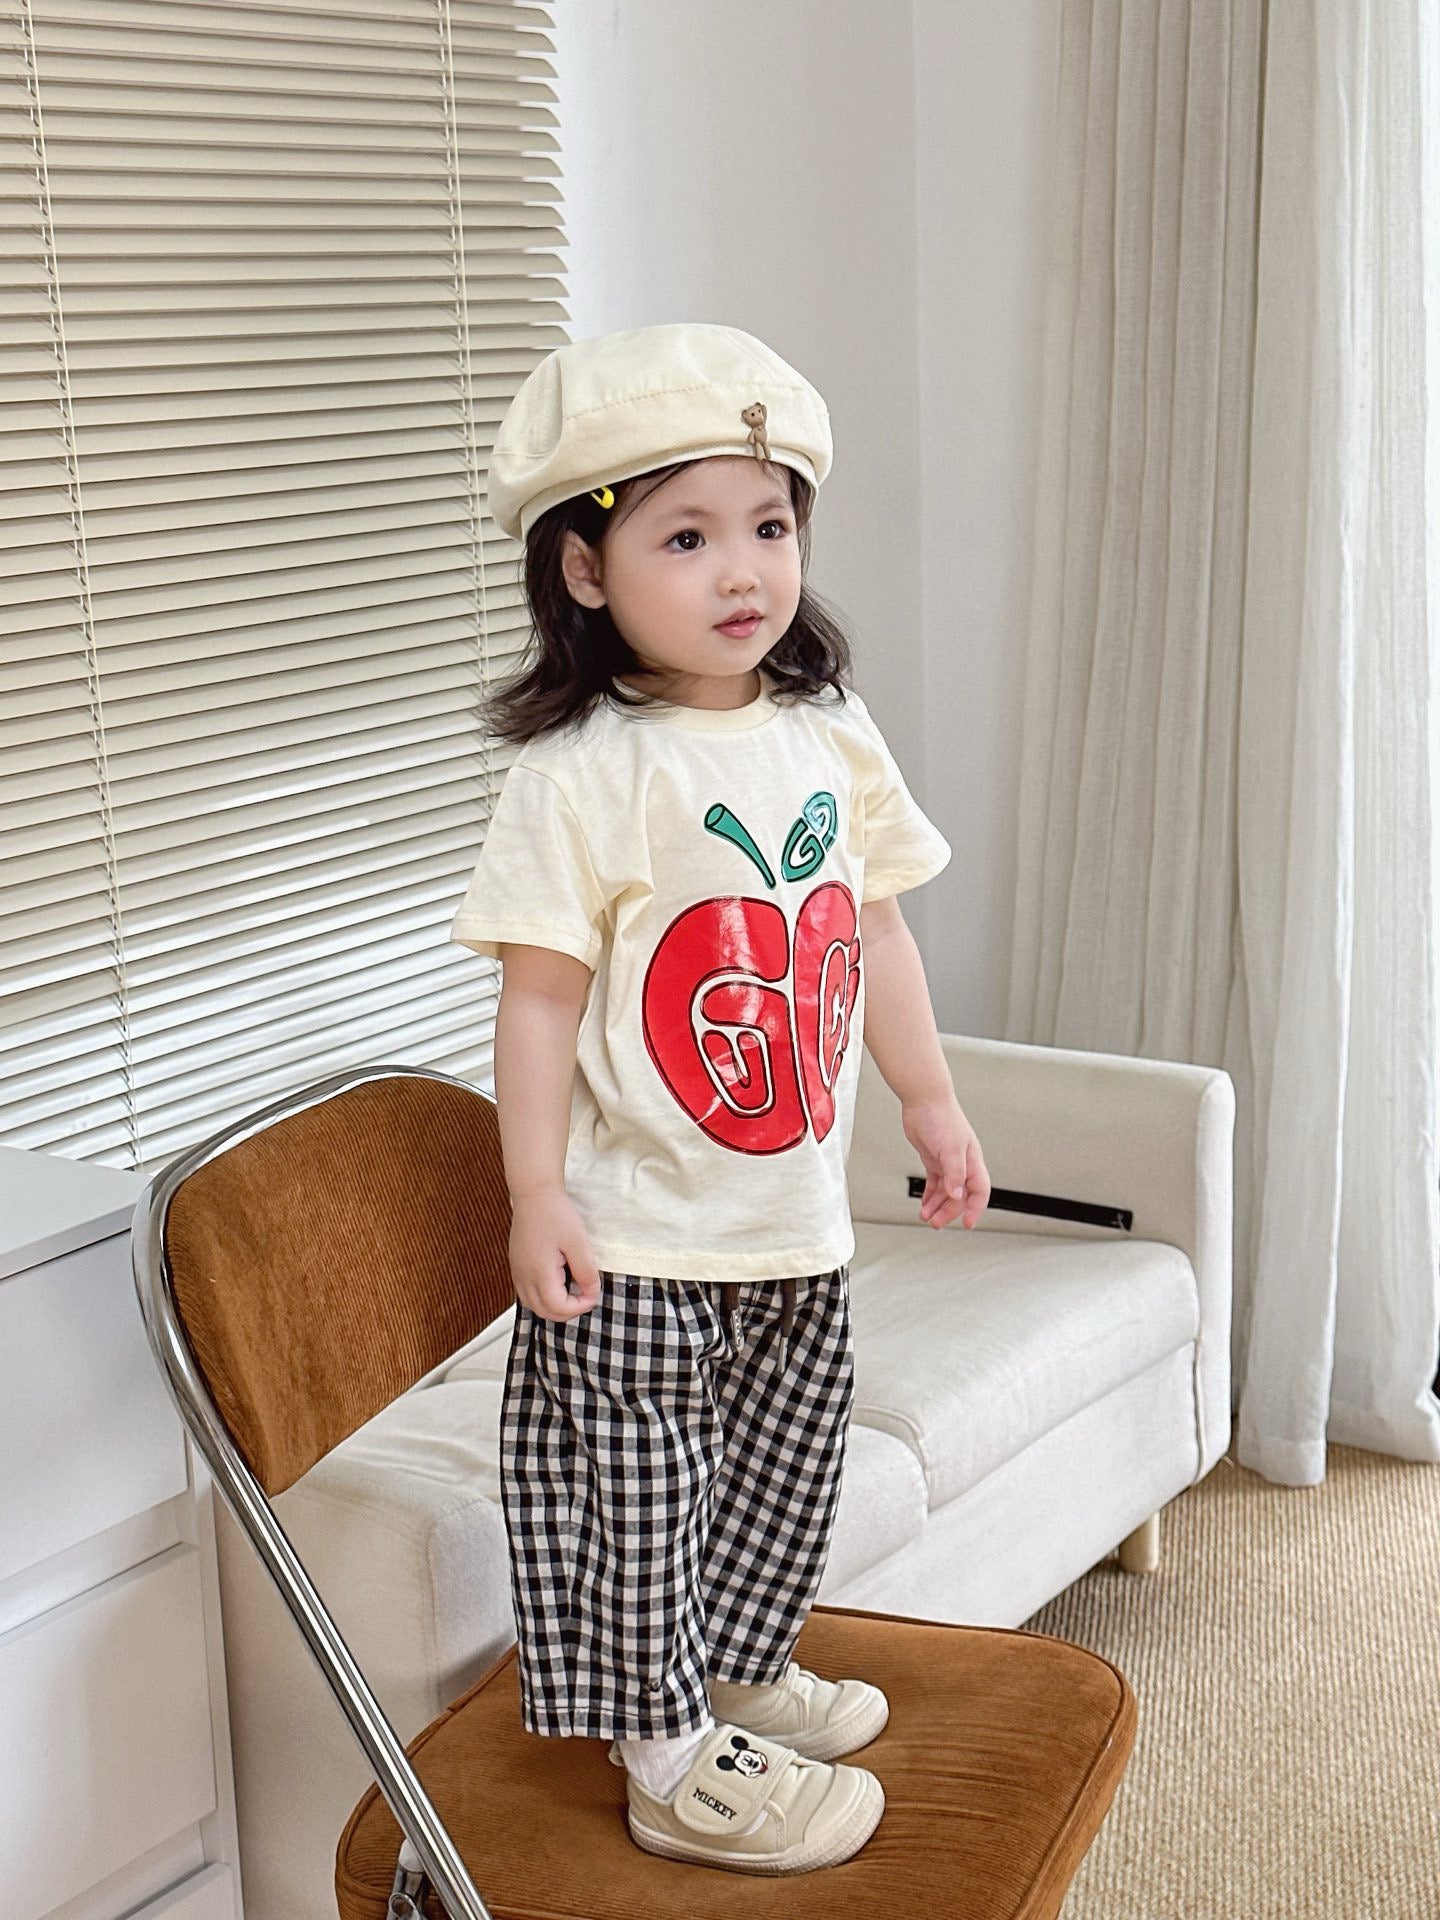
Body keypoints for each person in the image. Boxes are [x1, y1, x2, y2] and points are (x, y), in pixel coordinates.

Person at [450, 322, 991, 1875]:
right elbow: (539, 999)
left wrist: (932, 1101)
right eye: (685, 538)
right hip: (638, 1237)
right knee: (644, 1502)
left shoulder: (829, 730)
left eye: (769, 526)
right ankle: (665, 1754)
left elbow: (874, 931)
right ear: (585, 569)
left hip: (790, 1215)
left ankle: (739, 1670)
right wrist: (536, 1194)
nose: (743, 570)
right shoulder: (580, 774)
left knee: (783, 1466)